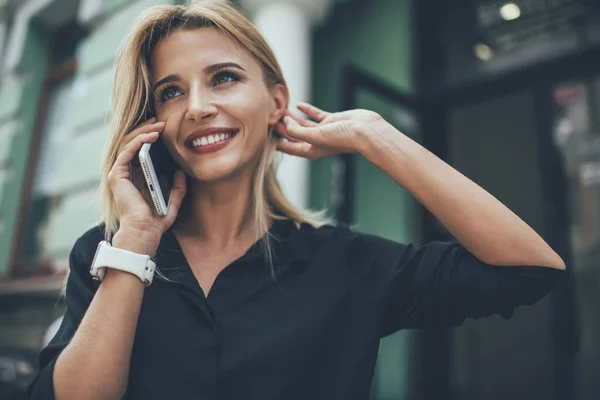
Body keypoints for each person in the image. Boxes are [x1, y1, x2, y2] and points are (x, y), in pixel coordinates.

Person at [27, 1, 566, 399]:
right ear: (152, 124)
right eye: (170, 91)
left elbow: (530, 269)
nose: (196, 106)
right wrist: (137, 241)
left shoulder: (348, 264)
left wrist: (378, 138)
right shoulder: (110, 251)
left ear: (275, 102)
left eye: (224, 78)